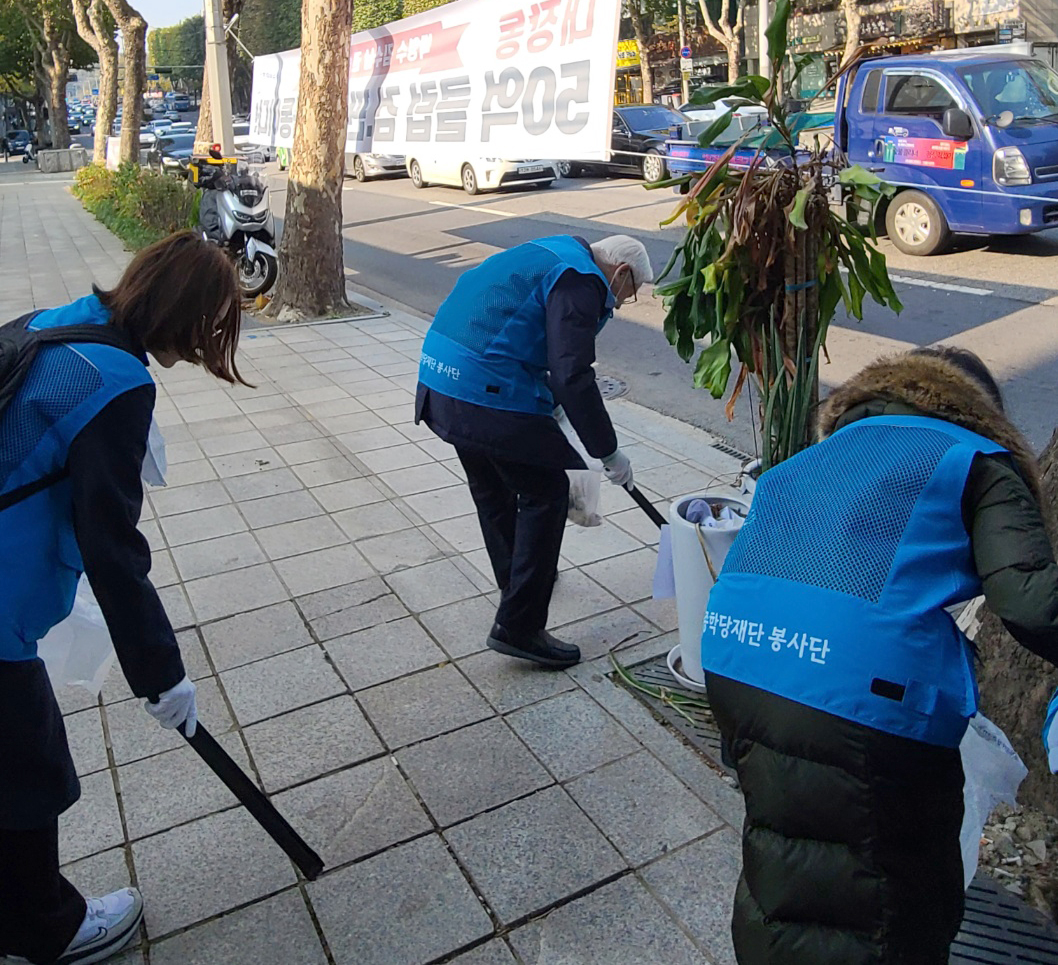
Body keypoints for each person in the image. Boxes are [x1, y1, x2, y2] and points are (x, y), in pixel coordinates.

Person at [702, 346, 1058, 965]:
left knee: (783, 847)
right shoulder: (973, 457)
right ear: (982, 413)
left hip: (738, 658)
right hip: (863, 698)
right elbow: (1030, 602)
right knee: (894, 893)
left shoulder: (816, 456)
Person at [0, 231, 245, 965]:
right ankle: (45, 929)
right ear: (185, 316)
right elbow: (113, 548)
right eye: (209, 328)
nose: (204, 348)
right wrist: (161, 674)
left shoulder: (54, 321)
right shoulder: (117, 382)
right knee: (29, 766)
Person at [415, 233, 653, 669]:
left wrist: (553, 407)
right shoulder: (582, 280)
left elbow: (525, 330)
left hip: (440, 379)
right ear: (620, 273)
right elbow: (573, 372)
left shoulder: (555, 251)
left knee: (494, 486)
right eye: (628, 293)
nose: (619, 305)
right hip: (482, 389)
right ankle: (519, 626)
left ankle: (518, 581)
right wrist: (610, 453)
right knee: (548, 492)